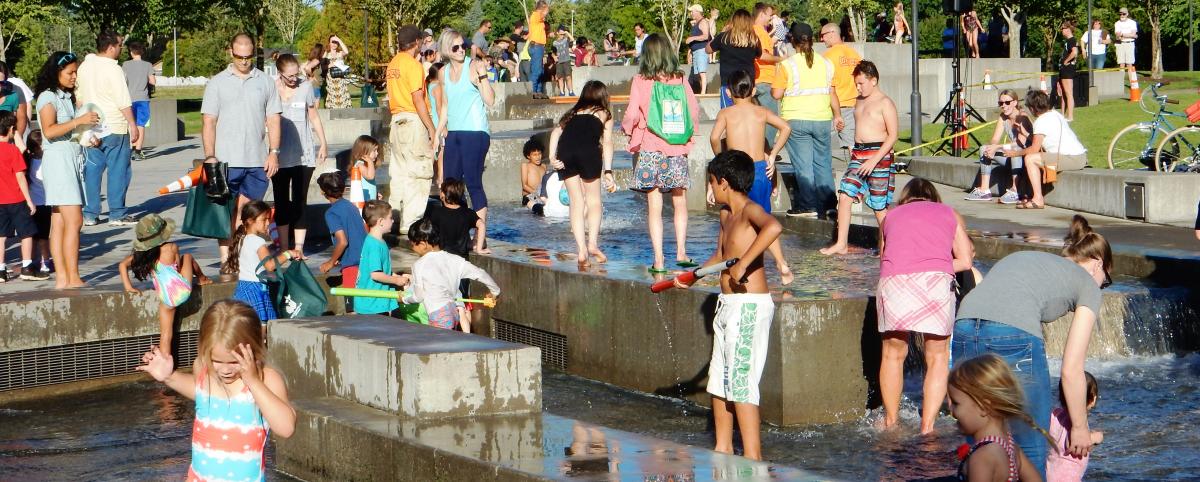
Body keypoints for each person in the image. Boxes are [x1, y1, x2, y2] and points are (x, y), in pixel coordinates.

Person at [954, 215, 1111, 478]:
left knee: (979, 439)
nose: (1102, 288)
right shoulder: (1088, 286)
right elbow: (1071, 369)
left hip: (963, 325)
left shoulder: (1033, 261)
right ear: (1097, 264)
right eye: (1106, 281)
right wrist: (1080, 428)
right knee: (1031, 445)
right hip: (1013, 333)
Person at [675, 150, 783, 461]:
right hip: (727, 305)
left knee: (741, 383)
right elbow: (720, 257)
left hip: (749, 306)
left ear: (723, 182)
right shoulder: (726, 215)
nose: (710, 190)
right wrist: (693, 276)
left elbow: (773, 227)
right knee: (720, 380)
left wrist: (743, 265)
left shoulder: (750, 210)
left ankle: (753, 459)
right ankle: (722, 450)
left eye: (711, 182)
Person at [136, 300, 297, 481]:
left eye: (235, 362)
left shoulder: (265, 379)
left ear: (256, 348)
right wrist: (170, 377)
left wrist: (252, 381)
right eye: (217, 361)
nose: (225, 370)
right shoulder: (203, 367)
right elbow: (203, 394)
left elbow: (286, 428)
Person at [876, 178, 974, 433]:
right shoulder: (948, 213)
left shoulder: (890, 216)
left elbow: (884, 257)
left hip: (894, 282)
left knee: (892, 354)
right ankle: (927, 427)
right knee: (938, 356)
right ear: (934, 197)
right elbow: (965, 259)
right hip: (935, 284)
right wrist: (937, 264)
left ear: (905, 197)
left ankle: (890, 421)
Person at [621, 34, 701, 273]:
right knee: (679, 200)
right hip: (677, 147)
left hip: (650, 146)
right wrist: (688, 136)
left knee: (654, 204)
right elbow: (693, 110)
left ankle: (658, 259)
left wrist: (626, 130)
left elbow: (633, 114)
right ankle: (682, 252)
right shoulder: (680, 79)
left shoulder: (641, 80)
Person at [201, 34, 282, 265]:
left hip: (257, 160)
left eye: (248, 57)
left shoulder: (265, 81)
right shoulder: (217, 82)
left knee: (248, 214)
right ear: (231, 52)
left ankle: (243, 256)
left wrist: (274, 152)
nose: (244, 61)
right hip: (226, 160)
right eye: (239, 56)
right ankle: (227, 257)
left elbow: (273, 118)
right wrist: (210, 156)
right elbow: (209, 121)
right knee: (227, 213)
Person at [708, 71, 793, 285]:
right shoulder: (761, 111)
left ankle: (736, 263)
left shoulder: (726, 113)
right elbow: (786, 127)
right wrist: (772, 155)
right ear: (753, 90)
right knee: (764, 219)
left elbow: (714, 137)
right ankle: (781, 264)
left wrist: (721, 159)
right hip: (760, 170)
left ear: (728, 92)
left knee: (732, 217)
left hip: (738, 170)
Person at [822, 60, 898, 256]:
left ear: (873, 80)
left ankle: (888, 247)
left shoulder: (885, 102)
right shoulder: (859, 99)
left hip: (879, 156)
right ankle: (841, 243)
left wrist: (874, 160)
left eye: (861, 83)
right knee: (845, 194)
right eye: (856, 83)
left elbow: (893, 136)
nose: (858, 87)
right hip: (859, 153)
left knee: (879, 207)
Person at [36, 51, 95, 289]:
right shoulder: (47, 97)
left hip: (69, 159)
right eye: (70, 72)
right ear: (56, 72)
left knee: (59, 222)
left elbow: (66, 132)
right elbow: (49, 131)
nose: (74, 77)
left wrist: (87, 136)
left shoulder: (64, 97)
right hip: (58, 163)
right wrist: (78, 122)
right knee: (75, 221)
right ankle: (72, 277)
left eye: (75, 72)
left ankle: (62, 278)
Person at [773, 23, 843, 219]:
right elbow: (832, 92)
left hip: (797, 120)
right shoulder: (826, 63)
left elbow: (777, 94)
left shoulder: (787, 65)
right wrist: (837, 115)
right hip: (822, 119)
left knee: (803, 165)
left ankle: (808, 205)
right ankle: (830, 205)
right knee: (823, 163)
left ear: (792, 41)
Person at [435, 29, 496, 252]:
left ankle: (480, 239)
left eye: (463, 45)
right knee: (450, 185)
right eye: (455, 48)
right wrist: (437, 133)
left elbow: (490, 100)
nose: (461, 50)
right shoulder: (442, 73)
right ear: (446, 51)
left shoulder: (474, 66)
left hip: (476, 132)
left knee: (472, 182)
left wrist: (482, 76)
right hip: (455, 133)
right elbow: (444, 107)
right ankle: (459, 234)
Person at [118, 214, 211, 356]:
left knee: (166, 335)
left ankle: (164, 367)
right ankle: (202, 278)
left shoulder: (142, 255)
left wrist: (129, 287)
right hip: (182, 289)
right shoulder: (172, 247)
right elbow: (178, 268)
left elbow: (122, 265)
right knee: (187, 257)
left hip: (166, 298)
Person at [547, 80, 616, 267]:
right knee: (593, 200)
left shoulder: (572, 113)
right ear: (603, 96)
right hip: (588, 152)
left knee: (576, 201)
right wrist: (608, 170)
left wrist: (552, 157)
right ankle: (592, 244)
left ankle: (581, 250)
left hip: (566, 152)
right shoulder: (605, 114)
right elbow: (607, 143)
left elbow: (555, 133)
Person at [949, 354, 1046, 482]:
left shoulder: (982, 457)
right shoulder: (1011, 447)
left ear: (983, 407)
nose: (951, 411)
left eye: (956, 403)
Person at [77, 30, 139, 227]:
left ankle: (90, 213)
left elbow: (78, 97)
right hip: (114, 125)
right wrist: (132, 124)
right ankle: (117, 213)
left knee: (93, 170)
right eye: (120, 45)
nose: (121, 49)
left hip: (91, 123)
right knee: (118, 170)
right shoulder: (114, 69)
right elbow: (122, 100)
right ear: (111, 47)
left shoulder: (85, 66)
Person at [403, 217, 500, 332]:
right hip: (453, 311)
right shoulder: (456, 260)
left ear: (423, 244)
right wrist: (495, 292)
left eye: (413, 244)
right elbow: (481, 273)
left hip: (438, 314)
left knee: (439, 346)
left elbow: (418, 297)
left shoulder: (419, 265)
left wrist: (404, 299)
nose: (412, 248)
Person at [273, 54, 328, 254]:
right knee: (280, 200)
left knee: (299, 200)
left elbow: (313, 116)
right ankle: (284, 247)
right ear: (280, 74)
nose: (294, 79)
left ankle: (299, 248)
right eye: (290, 77)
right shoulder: (272, 89)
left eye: (296, 75)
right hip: (279, 154)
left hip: (303, 154)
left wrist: (322, 142)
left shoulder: (305, 87)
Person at [385, 25, 437, 235]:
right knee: (419, 173)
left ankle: (393, 220)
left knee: (399, 173)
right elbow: (417, 99)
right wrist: (431, 128)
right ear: (417, 42)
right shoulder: (413, 65)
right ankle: (411, 224)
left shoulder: (393, 64)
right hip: (413, 121)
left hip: (396, 120)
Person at [1001, 90, 1086, 209]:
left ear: (1032, 108)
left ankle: (1038, 199)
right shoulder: (1054, 114)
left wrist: (1015, 153)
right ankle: (1032, 194)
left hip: (1072, 158)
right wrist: (1025, 134)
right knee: (1033, 158)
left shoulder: (1041, 122)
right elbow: (1041, 141)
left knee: (1030, 159)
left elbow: (1034, 149)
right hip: (1077, 156)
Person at [224, 201, 300, 324]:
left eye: (269, 219)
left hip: (243, 288)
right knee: (261, 330)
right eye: (264, 220)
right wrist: (288, 254)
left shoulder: (241, 239)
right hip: (257, 289)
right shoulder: (258, 242)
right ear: (250, 220)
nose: (268, 223)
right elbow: (270, 265)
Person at [0, 111, 45, 282]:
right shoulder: (13, 151)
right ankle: (27, 267)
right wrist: (29, 200)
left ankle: (1, 270)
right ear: (11, 129)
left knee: (1, 236)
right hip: (16, 199)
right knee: (26, 233)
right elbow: (20, 176)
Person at [966, 89, 1033, 204]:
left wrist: (997, 147)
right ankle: (984, 190)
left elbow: (1020, 143)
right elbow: (995, 139)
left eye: (1007, 102)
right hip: (1012, 156)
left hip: (1025, 156)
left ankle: (1015, 191)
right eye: (1001, 103)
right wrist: (992, 147)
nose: (1003, 106)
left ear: (1015, 102)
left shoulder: (1022, 116)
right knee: (984, 148)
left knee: (1015, 149)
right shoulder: (1003, 117)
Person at [354, 200, 409, 316]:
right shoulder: (375, 245)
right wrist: (396, 280)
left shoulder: (377, 241)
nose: (393, 220)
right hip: (372, 303)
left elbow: (383, 269)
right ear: (381, 221)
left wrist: (396, 276)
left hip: (375, 301)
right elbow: (376, 274)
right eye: (390, 217)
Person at [317, 172, 367, 296]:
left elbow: (343, 241)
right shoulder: (351, 206)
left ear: (323, 192)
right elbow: (361, 232)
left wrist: (331, 261)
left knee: (352, 308)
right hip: (366, 261)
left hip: (352, 265)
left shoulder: (331, 213)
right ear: (344, 189)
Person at [1048, 372, 1104, 482]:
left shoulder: (1055, 414)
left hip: (1050, 472)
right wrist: (1097, 437)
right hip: (1067, 478)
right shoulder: (1077, 422)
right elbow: (1073, 444)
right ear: (1093, 399)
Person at [820, 23, 862, 161]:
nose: (821, 39)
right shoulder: (855, 54)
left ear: (832, 33)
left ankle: (858, 176)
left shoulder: (828, 56)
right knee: (856, 144)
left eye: (823, 35)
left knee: (850, 147)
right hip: (856, 104)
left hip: (838, 106)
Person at [706, 9, 760, 108]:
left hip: (729, 84)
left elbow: (708, 49)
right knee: (747, 115)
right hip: (748, 83)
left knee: (728, 114)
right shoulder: (754, 39)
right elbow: (758, 55)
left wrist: (721, 33)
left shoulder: (724, 37)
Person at [426, 177, 486, 263]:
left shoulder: (436, 213)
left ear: (443, 195)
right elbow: (482, 225)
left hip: (443, 258)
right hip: (462, 259)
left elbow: (428, 231)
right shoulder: (467, 213)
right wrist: (479, 249)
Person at [751, 3, 783, 137]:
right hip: (765, 80)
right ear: (762, 14)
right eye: (769, 15)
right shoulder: (760, 31)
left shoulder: (752, 30)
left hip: (757, 80)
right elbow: (762, 55)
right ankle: (766, 152)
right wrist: (781, 59)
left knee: (759, 121)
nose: (771, 19)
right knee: (771, 121)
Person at [23, 131, 52, 275]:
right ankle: (45, 262)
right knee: (44, 237)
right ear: (38, 147)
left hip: (31, 204)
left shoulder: (27, 161)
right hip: (44, 203)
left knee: (33, 236)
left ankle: (34, 260)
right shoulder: (43, 163)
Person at [123, 41, 155, 161]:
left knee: (130, 125)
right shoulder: (148, 65)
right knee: (141, 125)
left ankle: (131, 148)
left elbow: (122, 80)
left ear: (131, 52)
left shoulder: (125, 64)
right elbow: (153, 81)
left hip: (128, 100)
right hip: (142, 99)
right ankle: (138, 152)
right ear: (142, 52)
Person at [0, 63, 29, 152]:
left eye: (1, 83)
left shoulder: (14, 94)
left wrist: (15, 143)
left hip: (7, 145)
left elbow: (21, 119)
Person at [686, 4, 712, 95]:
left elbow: (706, 36)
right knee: (698, 75)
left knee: (702, 72)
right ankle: (702, 91)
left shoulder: (703, 22)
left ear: (697, 11)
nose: (691, 13)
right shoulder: (696, 23)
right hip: (695, 51)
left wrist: (692, 38)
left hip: (701, 50)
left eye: (692, 11)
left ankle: (703, 92)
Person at [1057, 21, 1079, 122]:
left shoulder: (1071, 40)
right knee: (1064, 94)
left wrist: (1066, 61)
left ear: (1067, 29)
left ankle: (1070, 116)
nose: (1061, 31)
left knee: (1068, 93)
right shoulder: (1067, 41)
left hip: (1067, 70)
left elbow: (1075, 52)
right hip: (1063, 70)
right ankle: (1063, 115)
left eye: (1062, 29)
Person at [528, 1, 550, 99]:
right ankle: (533, 91)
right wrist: (545, 11)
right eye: (545, 10)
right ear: (542, 8)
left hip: (539, 47)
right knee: (536, 70)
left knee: (540, 70)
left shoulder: (539, 18)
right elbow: (542, 15)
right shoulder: (535, 15)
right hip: (536, 46)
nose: (547, 12)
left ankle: (539, 91)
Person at [350, 135, 381, 201]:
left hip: (369, 201)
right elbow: (370, 176)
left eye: (377, 150)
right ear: (364, 152)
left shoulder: (366, 165)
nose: (377, 153)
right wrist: (370, 161)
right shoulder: (359, 164)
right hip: (363, 203)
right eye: (374, 151)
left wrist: (376, 193)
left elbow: (370, 183)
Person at [324, 35, 351, 108]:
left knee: (343, 97)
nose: (334, 44)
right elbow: (322, 66)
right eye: (332, 42)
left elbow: (347, 52)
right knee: (333, 98)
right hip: (331, 80)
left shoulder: (340, 53)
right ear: (329, 43)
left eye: (336, 42)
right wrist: (330, 65)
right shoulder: (326, 54)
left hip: (341, 79)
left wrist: (339, 40)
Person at [521, 137, 547, 207]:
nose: (538, 157)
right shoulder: (525, 166)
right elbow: (524, 185)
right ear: (528, 156)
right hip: (529, 197)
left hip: (540, 197)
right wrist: (537, 194)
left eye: (539, 154)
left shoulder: (543, 166)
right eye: (534, 155)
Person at [553, 26, 576, 97]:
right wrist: (554, 56)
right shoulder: (554, 42)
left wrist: (566, 32)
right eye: (561, 34)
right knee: (560, 78)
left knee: (568, 77)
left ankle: (571, 91)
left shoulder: (566, 40)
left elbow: (573, 39)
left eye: (563, 34)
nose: (562, 35)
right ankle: (562, 92)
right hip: (559, 62)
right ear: (557, 33)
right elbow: (553, 52)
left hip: (566, 60)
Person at [1114, 8, 1137, 74]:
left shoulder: (1132, 23)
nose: (1122, 15)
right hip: (1120, 44)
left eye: (1123, 14)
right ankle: (1121, 83)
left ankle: (1132, 82)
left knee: (1129, 64)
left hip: (1130, 44)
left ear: (1127, 14)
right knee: (1121, 64)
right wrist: (1131, 35)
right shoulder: (1117, 23)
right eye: (1120, 14)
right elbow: (1118, 35)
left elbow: (1133, 34)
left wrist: (1122, 34)